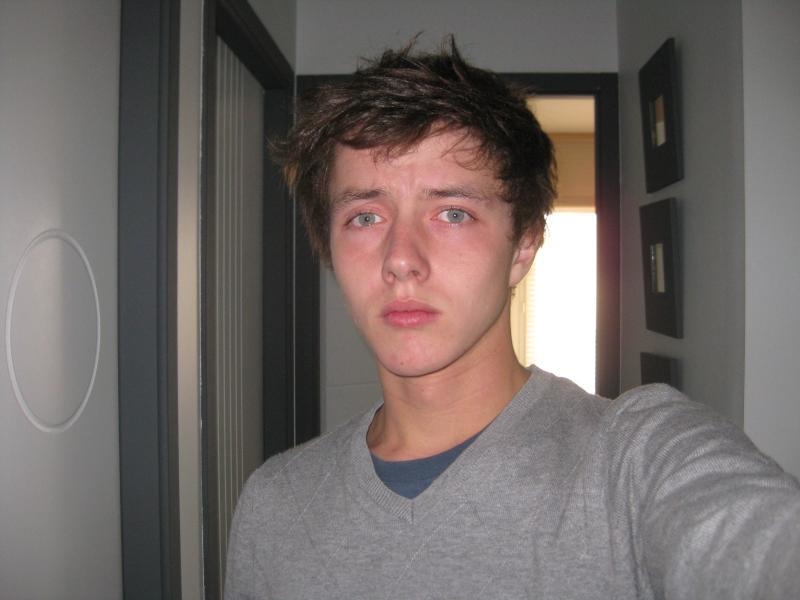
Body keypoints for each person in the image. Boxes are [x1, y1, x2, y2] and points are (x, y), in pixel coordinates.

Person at [224, 39, 800, 599]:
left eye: (453, 213)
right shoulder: (275, 503)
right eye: (365, 217)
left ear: (523, 245)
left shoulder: (634, 460)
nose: (401, 260)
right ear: (327, 246)